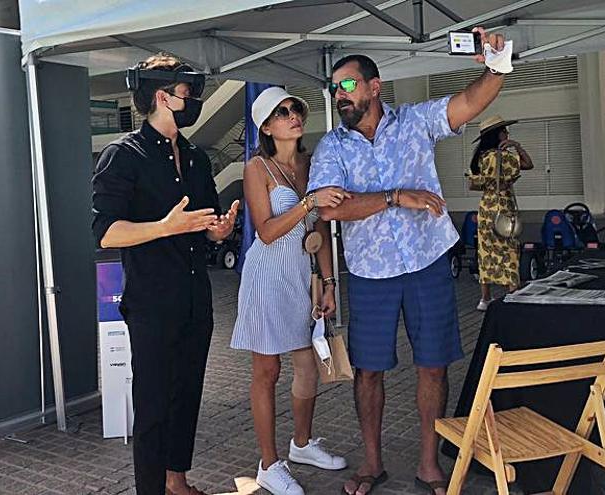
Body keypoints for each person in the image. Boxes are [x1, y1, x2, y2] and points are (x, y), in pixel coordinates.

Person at [307, 28, 510, 495]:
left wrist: (496, 64)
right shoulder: (332, 148)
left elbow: (470, 102)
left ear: (374, 87)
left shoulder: (416, 121)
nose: (340, 94)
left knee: (433, 365)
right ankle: (372, 464)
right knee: (368, 370)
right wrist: (397, 196)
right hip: (369, 272)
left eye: (348, 84)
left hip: (427, 263)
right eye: (335, 88)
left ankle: (428, 465)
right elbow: (330, 208)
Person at [91, 53, 239, 495]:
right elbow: (105, 233)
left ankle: (177, 480)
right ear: (162, 96)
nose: (192, 99)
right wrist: (163, 227)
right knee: (153, 405)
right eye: (186, 92)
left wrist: (219, 231)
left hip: (195, 298)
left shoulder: (195, 157)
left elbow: (204, 224)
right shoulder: (123, 156)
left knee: (187, 394)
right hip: (153, 303)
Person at [230, 87, 350, 495]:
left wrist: (330, 282)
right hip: (266, 277)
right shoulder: (256, 168)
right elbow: (264, 232)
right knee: (267, 370)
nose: (292, 115)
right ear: (265, 126)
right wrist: (307, 202)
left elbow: (321, 229)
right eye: (281, 112)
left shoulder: (311, 164)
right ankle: (268, 463)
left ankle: (301, 444)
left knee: (308, 364)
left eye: (294, 109)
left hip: (303, 275)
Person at [468, 116, 534, 311]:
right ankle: (513, 291)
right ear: (499, 135)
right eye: (505, 131)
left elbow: (474, 182)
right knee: (509, 249)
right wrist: (516, 146)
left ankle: (485, 298)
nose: (507, 134)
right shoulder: (505, 158)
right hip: (504, 206)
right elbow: (528, 164)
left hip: (486, 207)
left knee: (486, 251)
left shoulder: (480, 157)